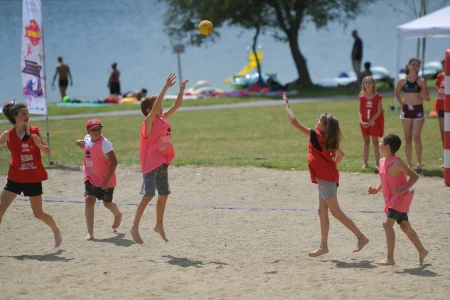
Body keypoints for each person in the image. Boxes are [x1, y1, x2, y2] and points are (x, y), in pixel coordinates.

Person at [282, 93, 369, 257]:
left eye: (319, 121)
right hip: (326, 177)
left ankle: (361, 237)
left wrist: (287, 105)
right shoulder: (327, 139)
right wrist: (331, 167)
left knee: (336, 212)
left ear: (324, 127)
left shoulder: (317, 135)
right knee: (322, 211)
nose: (316, 122)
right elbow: (341, 155)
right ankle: (323, 246)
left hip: (327, 179)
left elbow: (294, 122)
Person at [130, 73, 189, 244]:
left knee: (164, 195)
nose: (161, 108)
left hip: (162, 163)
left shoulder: (162, 119)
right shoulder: (147, 123)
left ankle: (159, 225)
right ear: (150, 110)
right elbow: (156, 107)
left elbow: (177, 105)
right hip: (150, 165)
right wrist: (165, 87)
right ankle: (134, 227)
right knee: (148, 195)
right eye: (158, 106)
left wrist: (182, 89)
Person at [0, 102, 62, 247]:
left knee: (38, 213)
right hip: (15, 178)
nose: (27, 116)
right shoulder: (7, 134)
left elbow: (48, 152)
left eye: (27, 113)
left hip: (32, 178)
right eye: (23, 113)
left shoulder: (34, 131)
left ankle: (56, 230)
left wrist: (40, 145)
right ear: (15, 116)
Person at [368, 133, 428, 266]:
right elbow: (384, 179)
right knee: (404, 226)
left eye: (381, 143)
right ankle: (422, 250)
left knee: (387, 224)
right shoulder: (382, 161)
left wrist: (404, 189)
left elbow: (414, 176)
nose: (379, 144)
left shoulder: (397, 162)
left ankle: (390, 258)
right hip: (392, 199)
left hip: (400, 198)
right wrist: (376, 190)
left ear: (388, 147)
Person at [75, 119, 122, 240]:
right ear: (88, 131)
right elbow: (84, 143)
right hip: (91, 177)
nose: (97, 131)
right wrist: (80, 143)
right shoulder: (87, 138)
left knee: (107, 203)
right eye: (94, 129)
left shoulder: (105, 143)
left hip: (106, 179)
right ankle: (90, 233)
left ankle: (117, 214)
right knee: (89, 200)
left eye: (99, 128)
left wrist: (106, 181)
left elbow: (114, 162)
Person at [395, 58, 430, 173]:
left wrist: (423, 95)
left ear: (419, 68)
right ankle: (409, 164)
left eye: (417, 65)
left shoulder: (421, 81)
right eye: (413, 65)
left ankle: (419, 163)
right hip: (406, 110)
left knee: (416, 137)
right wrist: (402, 104)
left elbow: (427, 98)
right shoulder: (402, 81)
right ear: (408, 66)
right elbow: (397, 93)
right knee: (408, 138)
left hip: (418, 110)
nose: (415, 67)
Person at [359, 76, 384, 170]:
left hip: (374, 123)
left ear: (373, 84)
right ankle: (365, 163)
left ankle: (378, 163)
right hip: (364, 123)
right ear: (364, 85)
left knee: (375, 141)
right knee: (366, 141)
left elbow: (379, 111)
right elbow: (360, 111)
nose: (368, 84)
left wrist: (371, 121)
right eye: (366, 83)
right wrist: (362, 121)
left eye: (370, 82)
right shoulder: (362, 97)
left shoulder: (378, 97)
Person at [435, 58, 446, 154]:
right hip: (441, 108)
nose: (445, 67)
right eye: (443, 66)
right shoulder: (441, 76)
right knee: (443, 133)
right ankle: (446, 158)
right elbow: (437, 86)